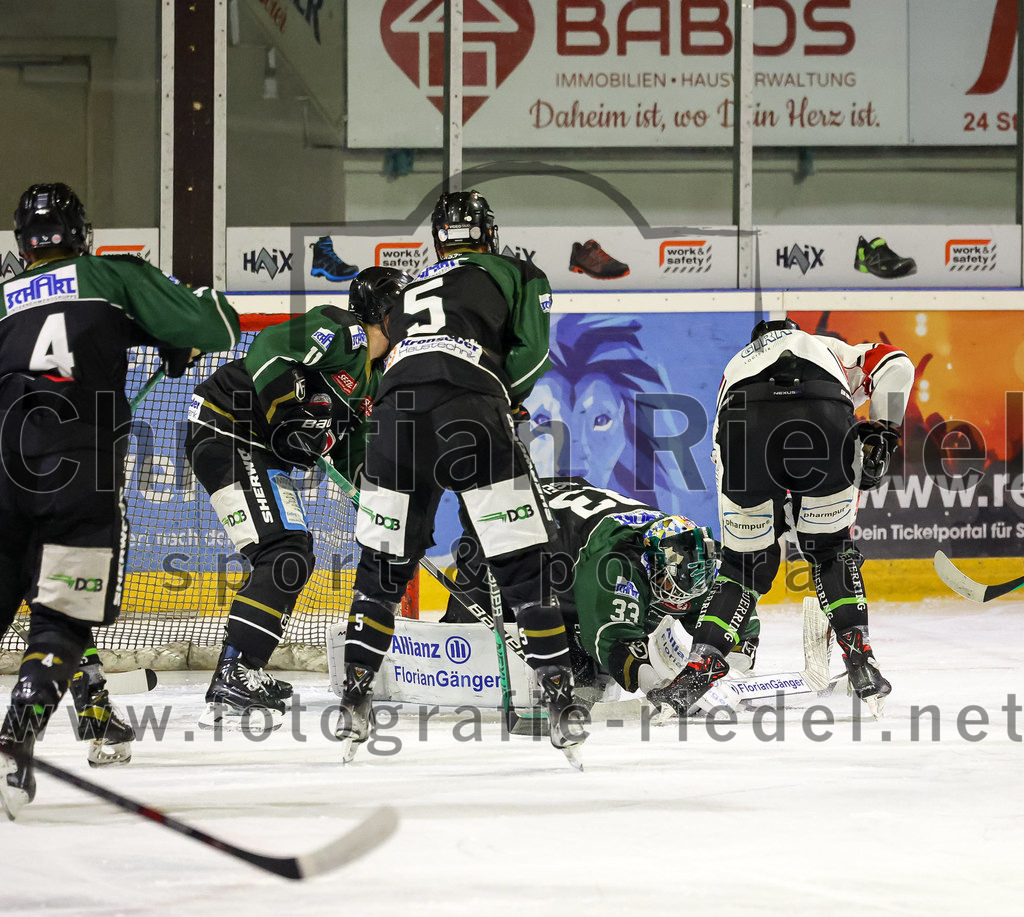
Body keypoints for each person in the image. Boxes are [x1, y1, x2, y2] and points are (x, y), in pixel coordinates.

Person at [0, 182, 241, 818]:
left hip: (2, 473)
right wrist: (167, 329)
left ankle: (96, 712)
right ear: (81, 234)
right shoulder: (112, 274)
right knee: (64, 614)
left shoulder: (1, 297)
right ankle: (17, 740)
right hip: (79, 472)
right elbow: (215, 324)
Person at [335, 189, 577, 762]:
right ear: (488, 234)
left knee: (381, 568)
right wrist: (503, 396)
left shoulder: (406, 290)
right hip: (469, 410)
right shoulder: (518, 272)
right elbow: (533, 357)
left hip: (394, 419)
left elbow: (384, 367)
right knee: (520, 558)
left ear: (437, 239)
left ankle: (353, 695)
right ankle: (563, 698)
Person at [652, 317, 914, 718]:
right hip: (824, 415)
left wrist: (768, 517)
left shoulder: (736, 365)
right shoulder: (825, 347)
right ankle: (859, 657)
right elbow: (898, 365)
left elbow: (721, 444)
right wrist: (884, 431)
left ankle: (700, 665)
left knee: (742, 566)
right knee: (829, 552)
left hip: (742, 425)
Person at [185, 266, 410, 728]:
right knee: (284, 550)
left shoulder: (372, 380)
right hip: (225, 428)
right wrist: (286, 408)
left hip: (256, 448)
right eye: (402, 311)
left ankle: (242, 668)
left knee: (292, 553)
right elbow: (269, 348)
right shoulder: (342, 330)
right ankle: (233, 672)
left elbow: (353, 461)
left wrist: (380, 509)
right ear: (383, 313)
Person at [448, 476, 755, 708]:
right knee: (474, 643)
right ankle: (456, 629)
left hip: (572, 530)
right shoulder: (612, 564)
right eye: (668, 587)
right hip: (514, 526)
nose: (682, 599)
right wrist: (658, 688)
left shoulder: (684, 556)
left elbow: (737, 616)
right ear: (646, 564)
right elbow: (610, 638)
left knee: (590, 683)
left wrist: (735, 671)